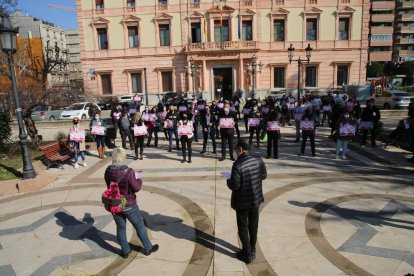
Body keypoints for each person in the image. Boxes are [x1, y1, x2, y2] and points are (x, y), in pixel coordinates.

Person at [104, 148, 159, 258]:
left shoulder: (108, 170)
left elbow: (108, 185)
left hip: (114, 203)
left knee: (120, 228)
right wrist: (139, 179)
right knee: (139, 226)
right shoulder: (128, 172)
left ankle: (125, 251)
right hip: (129, 204)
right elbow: (136, 188)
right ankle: (148, 248)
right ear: (123, 157)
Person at [227, 139, 267, 264]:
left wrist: (228, 180)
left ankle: (247, 253)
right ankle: (253, 248)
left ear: (240, 149)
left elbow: (235, 186)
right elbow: (264, 175)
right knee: (253, 225)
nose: (235, 153)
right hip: (256, 199)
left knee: (243, 227)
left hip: (242, 202)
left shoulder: (237, 165)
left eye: (235, 150)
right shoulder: (258, 160)